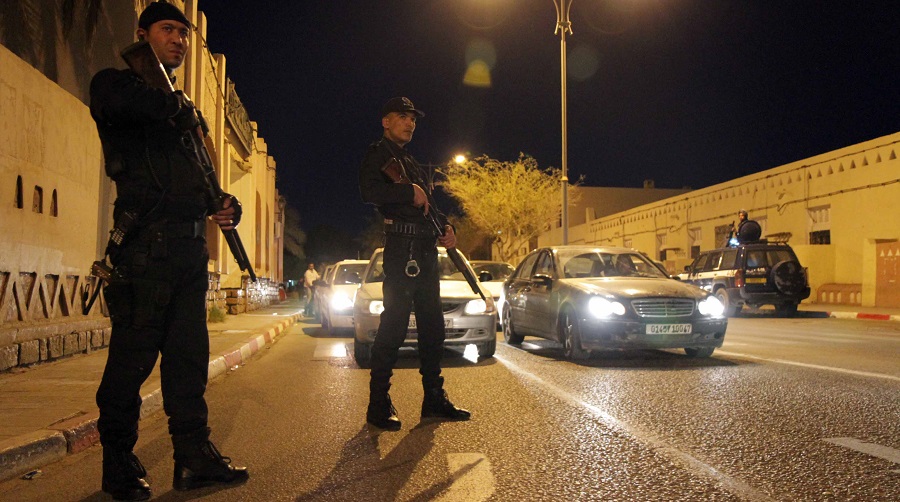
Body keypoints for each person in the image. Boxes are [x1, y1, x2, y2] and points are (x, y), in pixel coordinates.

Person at [89, 2, 248, 499]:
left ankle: (193, 459)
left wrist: (227, 205)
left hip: (186, 251)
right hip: (143, 251)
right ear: (143, 35)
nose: (178, 39)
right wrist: (178, 108)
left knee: (187, 365)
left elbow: (205, 183)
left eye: (183, 32)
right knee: (129, 367)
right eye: (167, 30)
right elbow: (130, 105)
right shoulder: (116, 85)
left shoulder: (184, 106)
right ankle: (118, 465)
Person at [358, 97, 471, 430]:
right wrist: (409, 193)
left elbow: (430, 205)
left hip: (424, 249)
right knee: (393, 327)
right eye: (402, 117)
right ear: (386, 121)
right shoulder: (378, 154)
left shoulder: (410, 161)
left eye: (413, 119)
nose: (410, 123)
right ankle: (378, 403)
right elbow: (369, 191)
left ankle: (433, 398)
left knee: (432, 328)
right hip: (402, 249)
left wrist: (447, 227)